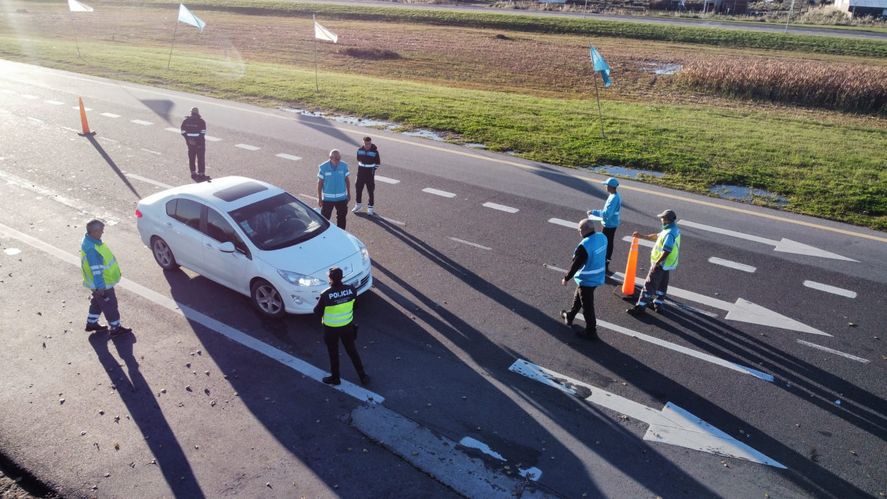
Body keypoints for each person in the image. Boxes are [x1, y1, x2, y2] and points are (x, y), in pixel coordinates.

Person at [313, 267, 369, 386]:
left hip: (331, 329)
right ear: (342, 277)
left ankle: (335, 378)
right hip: (347, 327)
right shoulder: (351, 290)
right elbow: (355, 306)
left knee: (333, 354)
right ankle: (363, 376)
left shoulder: (326, 294)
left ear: (330, 278)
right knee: (352, 352)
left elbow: (317, 312)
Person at [80, 219, 132, 337]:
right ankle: (115, 328)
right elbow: (97, 271)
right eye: (101, 231)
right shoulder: (93, 249)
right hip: (103, 284)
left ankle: (91, 323)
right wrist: (100, 288)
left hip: (95, 283)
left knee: (98, 303)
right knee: (110, 306)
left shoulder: (88, 241)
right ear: (94, 231)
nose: (102, 233)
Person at [560, 218, 607, 340]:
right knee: (579, 296)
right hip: (598, 276)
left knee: (587, 307)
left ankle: (591, 331)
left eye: (579, 229)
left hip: (587, 279)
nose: (578, 232)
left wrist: (566, 278)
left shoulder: (584, 245)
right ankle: (570, 316)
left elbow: (575, 265)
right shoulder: (602, 237)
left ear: (585, 230)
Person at [627, 209, 681, 314]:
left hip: (661, 264)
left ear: (666, 220)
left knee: (649, 285)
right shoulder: (673, 229)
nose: (660, 219)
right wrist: (642, 236)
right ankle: (658, 304)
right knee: (662, 286)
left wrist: (657, 262)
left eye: (662, 218)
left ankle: (640, 307)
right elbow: (657, 236)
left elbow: (667, 250)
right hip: (667, 265)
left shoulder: (669, 233)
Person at [587, 177, 621, 274]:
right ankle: (605, 263)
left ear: (610, 186)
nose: (605, 187)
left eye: (606, 185)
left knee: (606, 244)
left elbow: (606, 214)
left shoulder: (613, 198)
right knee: (608, 243)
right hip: (611, 223)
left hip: (609, 224)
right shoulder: (615, 195)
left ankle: (604, 264)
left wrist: (593, 212)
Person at [317, 149, 351, 230]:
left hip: (342, 198)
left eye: (338, 158)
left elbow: (347, 180)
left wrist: (349, 193)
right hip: (328, 199)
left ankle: (341, 233)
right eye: (335, 158)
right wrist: (319, 198)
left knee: (342, 219)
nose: (337, 160)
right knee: (325, 220)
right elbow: (320, 183)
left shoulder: (344, 166)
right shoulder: (323, 167)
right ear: (330, 157)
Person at [352, 136, 381, 216]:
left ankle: (370, 208)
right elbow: (358, 160)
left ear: (371, 142)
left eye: (369, 143)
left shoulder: (375, 152)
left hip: (369, 174)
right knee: (358, 189)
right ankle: (358, 205)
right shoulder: (359, 150)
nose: (367, 145)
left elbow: (378, 163)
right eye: (366, 144)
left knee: (370, 191)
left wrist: (372, 170)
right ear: (363, 143)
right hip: (360, 173)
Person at [180, 107, 207, 181]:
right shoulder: (201, 121)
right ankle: (201, 173)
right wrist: (196, 141)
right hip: (200, 144)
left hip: (190, 144)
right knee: (200, 158)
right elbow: (202, 133)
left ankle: (193, 172)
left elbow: (183, 132)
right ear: (198, 113)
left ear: (191, 113)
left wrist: (189, 140)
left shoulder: (186, 121)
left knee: (191, 158)